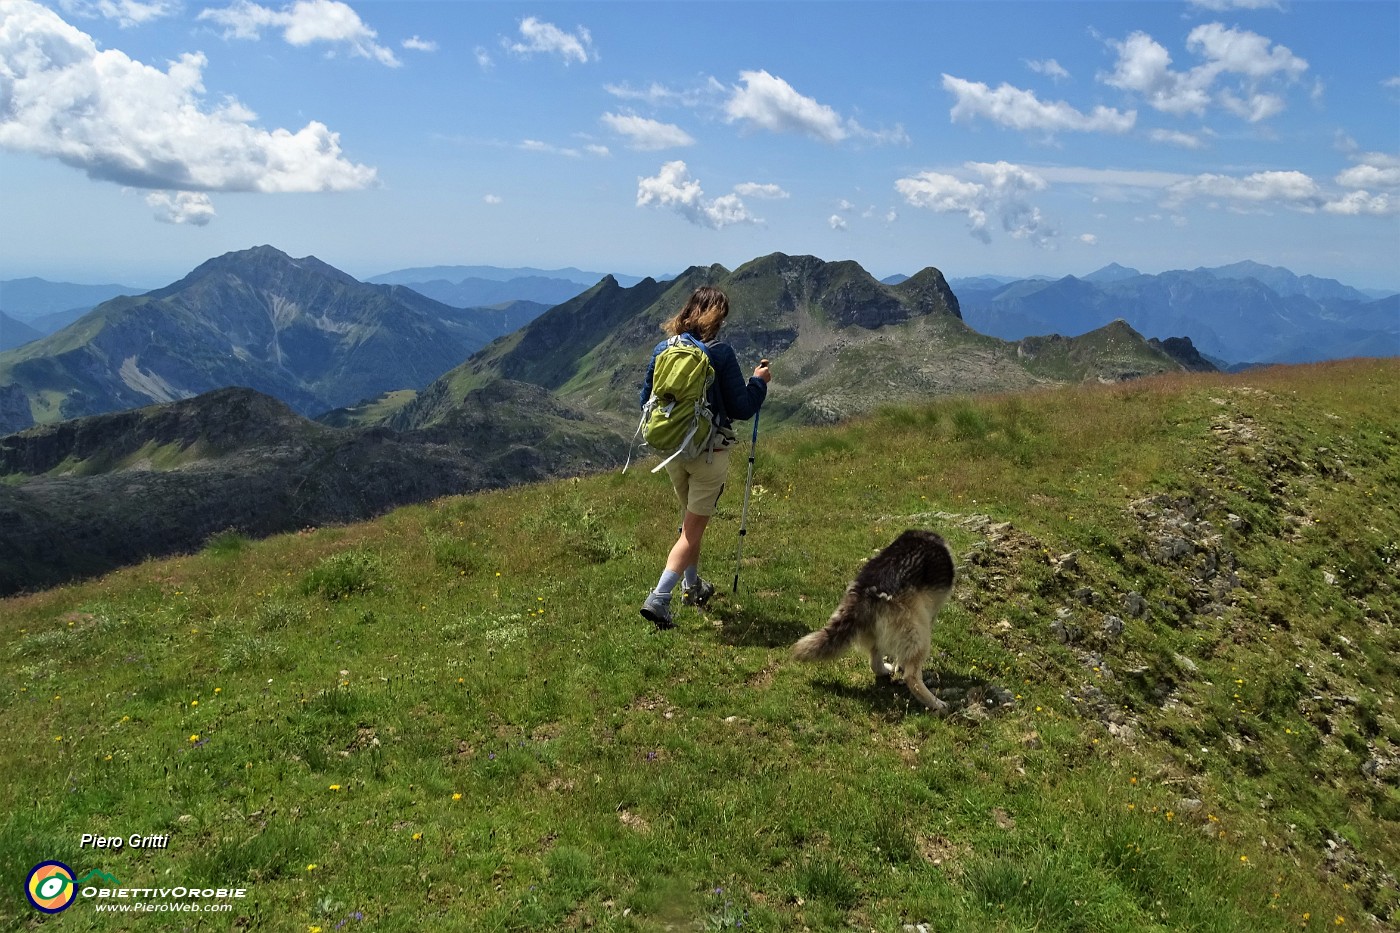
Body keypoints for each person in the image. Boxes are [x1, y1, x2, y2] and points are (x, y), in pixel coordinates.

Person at [639, 286, 771, 630]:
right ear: (717, 318)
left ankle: (692, 587)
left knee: (690, 524)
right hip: (709, 454)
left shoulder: (663, 349)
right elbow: (742, 408)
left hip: (673, 453)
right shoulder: (720, 353)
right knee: (691, 531)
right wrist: (759, 382)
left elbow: (645, 401)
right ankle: (659, 597)